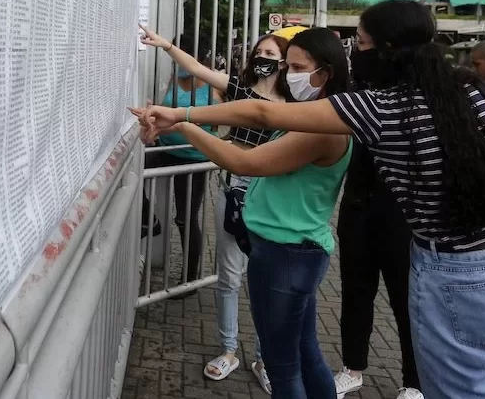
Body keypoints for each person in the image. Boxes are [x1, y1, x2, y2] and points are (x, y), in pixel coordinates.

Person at [137, 0, 485, 399]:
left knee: (290, 361)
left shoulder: (379, 107)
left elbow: (263, 116)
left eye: (360, 44)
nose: (355, 53)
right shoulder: (478, 91)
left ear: (387, 50)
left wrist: (183, 118)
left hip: (455, 278)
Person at [139, 29, 352, 399]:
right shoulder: (315, 114)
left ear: (325, 73)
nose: (287, 73)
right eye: (286, 65)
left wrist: (183, 123)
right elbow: (254, 108)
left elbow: (245, 161)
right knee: (304, 352)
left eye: (297, 67)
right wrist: (182, 112)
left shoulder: (321, 128)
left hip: (287, 252)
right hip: (295, 248)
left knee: (283, 368)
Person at [138, 25, 290, 390]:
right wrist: (167, 46)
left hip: (272, 197)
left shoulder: (296, 108)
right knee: (229, 276)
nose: (263, 60)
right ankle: (228, 349)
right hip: (234, 192)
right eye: (260, 53)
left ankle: (264, 358)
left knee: (265, 283)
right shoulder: (239, 90)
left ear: (285, 63)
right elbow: (199, 68)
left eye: (271, 55)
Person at [333, 59, 421, 399]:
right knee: (355, 293)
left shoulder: (419, 99)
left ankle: (414, 381)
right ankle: (352, 368)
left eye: (366, 45)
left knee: (405, 300)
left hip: (402, 217)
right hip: (357, 209)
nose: (360, 52)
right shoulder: (356, 96)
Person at [142, 34, 220, 285]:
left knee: (185, 217)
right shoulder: (174, 80)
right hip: (164, 152)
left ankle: (189, 279)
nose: (179, 64)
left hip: (194, 159)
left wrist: (163, 124)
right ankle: (148, 220)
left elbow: (200, 121)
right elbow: (166, 110)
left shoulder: (214, 87)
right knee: (129, 171)